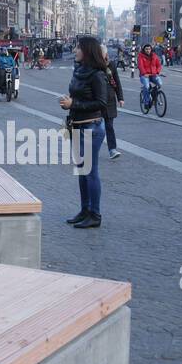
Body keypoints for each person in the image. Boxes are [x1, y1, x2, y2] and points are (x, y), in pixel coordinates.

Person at [60, 36, 111, 229]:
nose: (75, 51)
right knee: (82, 171)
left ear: (87, 51)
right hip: (77, 125)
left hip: (91, 127)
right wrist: (69, 104)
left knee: (90, 172)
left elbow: (101, 103)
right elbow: (77, 94)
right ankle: (85, 210)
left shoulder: (98, 74)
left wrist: (74, 104)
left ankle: (95, 214)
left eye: (78, 48)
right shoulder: (79, 70)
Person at [103, 56, 125, 159]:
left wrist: (120, 98)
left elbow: (117, 82)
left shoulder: (111, 65)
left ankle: (112, 149)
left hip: (110, 100)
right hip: (96, 101)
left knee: (109, 126)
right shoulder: (91, 65)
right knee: (96, 128)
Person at [137, 43, 163, 108]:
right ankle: (146, 102)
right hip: (144, 75)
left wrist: (157, 72)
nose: (148, 50)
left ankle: (154, 96)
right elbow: (140, 66)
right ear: (144, 50)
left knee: (160, 83)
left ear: (151, 49)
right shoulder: (141, 56)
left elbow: (159, 65)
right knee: (146, 86)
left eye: (149, 49)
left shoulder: (154, 56)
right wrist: (144, 73)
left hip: (153, 74)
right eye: (146, 49)